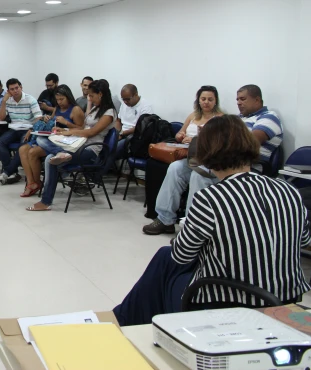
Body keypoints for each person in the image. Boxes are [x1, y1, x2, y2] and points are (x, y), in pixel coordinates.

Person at [114, 116, 310, 326]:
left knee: (164, 268)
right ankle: (123, 318)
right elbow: (303, 239)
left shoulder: (210, 198)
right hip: (285, 299)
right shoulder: (288, 191)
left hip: (229, 302)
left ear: (205, 153)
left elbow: (182, 255)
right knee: (164, 256)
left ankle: (122, 321)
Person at [143, 84, 283, 235]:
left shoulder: (269, 117)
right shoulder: (237, 119)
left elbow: (250, 141)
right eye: (237, 99)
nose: (239, 103)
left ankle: (192, 228)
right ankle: (165, 219)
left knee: (199, 173)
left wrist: (217, 138)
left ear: (257, 100)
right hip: (222, 162)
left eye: (243, 99)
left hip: (245, 167)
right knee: (176, 168)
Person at [26, 79, 115, 212]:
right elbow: (84, 127)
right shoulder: (96, 108)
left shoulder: (109, 113)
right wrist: (67, 132)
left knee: (51, 160)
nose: (89, 98)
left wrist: (69, 131)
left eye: (92, 95)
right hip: (78, 144)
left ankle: (46, 201)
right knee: (41, 141)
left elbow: (91, 132)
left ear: (100, 94)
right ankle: (60, 153)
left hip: (90, 150)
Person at [16, 85, 85, 197]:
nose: (59, 102)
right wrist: (47, 119)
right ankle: (31, 182)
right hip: (52, 138)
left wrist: (66, 123)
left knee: (32, 153)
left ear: (68, 97)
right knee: (22, 149)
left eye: (62, 99)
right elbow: (52, 123)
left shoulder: (76, 110)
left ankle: (37, 183)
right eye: (57, 99)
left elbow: (81, 129)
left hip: (63, 142)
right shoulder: (57, 108)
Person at [0, 78, 41, 185]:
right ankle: (12, 172)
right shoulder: (8, 101)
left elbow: (39, 118)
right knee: (0, 142)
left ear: (21, 87)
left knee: (22, 148)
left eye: (17, 88)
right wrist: (3, 102)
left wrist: (31, 129)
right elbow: (1, 118)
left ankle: (7, 172)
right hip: (14, 129)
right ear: (8, 91)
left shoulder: (30, 99)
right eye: (12, 89)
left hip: (28, 129)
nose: (15, 90)